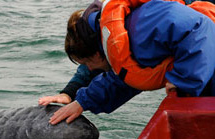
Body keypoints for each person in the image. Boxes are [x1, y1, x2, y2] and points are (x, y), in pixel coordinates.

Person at [40, 0, 215, 125]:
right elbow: (124, 79)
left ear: (96, 53)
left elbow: (201, 29)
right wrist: (80, 102)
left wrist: (183, 82)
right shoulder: (122, 39)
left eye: (86, 63)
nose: (89, 69)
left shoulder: (140, 28)